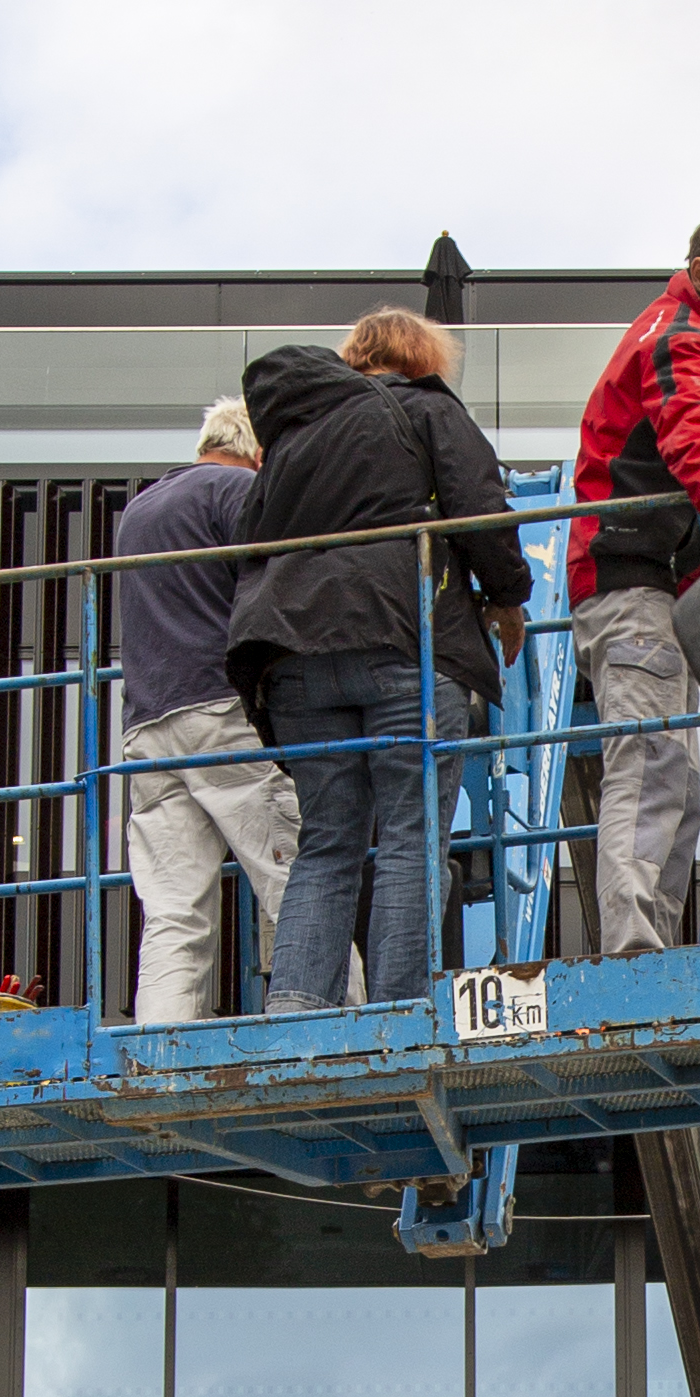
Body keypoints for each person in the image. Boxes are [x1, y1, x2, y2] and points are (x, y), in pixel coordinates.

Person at [228, 313, 529, 1015]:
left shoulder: (292, 440)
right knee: (410, 836)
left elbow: (245, 546)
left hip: (292, 655)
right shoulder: (424, 410)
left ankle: (296, 1004)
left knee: (326, 840)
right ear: (422, 360)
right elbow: (479, 508)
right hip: (405, 640)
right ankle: (399, 1009)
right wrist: (508, 597)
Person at [567, 215, 700, 958]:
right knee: (652, 761)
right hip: (633, 584)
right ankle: (632, 949)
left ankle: (645, 941)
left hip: (657, 587)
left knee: (678, 783)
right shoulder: (680, 340)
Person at [109, 394, 301, 1025]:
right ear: (258, 450)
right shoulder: (231, 491)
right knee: (293, 885)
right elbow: (277, 586)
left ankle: (162, 1050)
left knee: (171, 911)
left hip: (146, 729)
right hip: (220, 714)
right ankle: (336, 1030)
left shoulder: (138, 510)